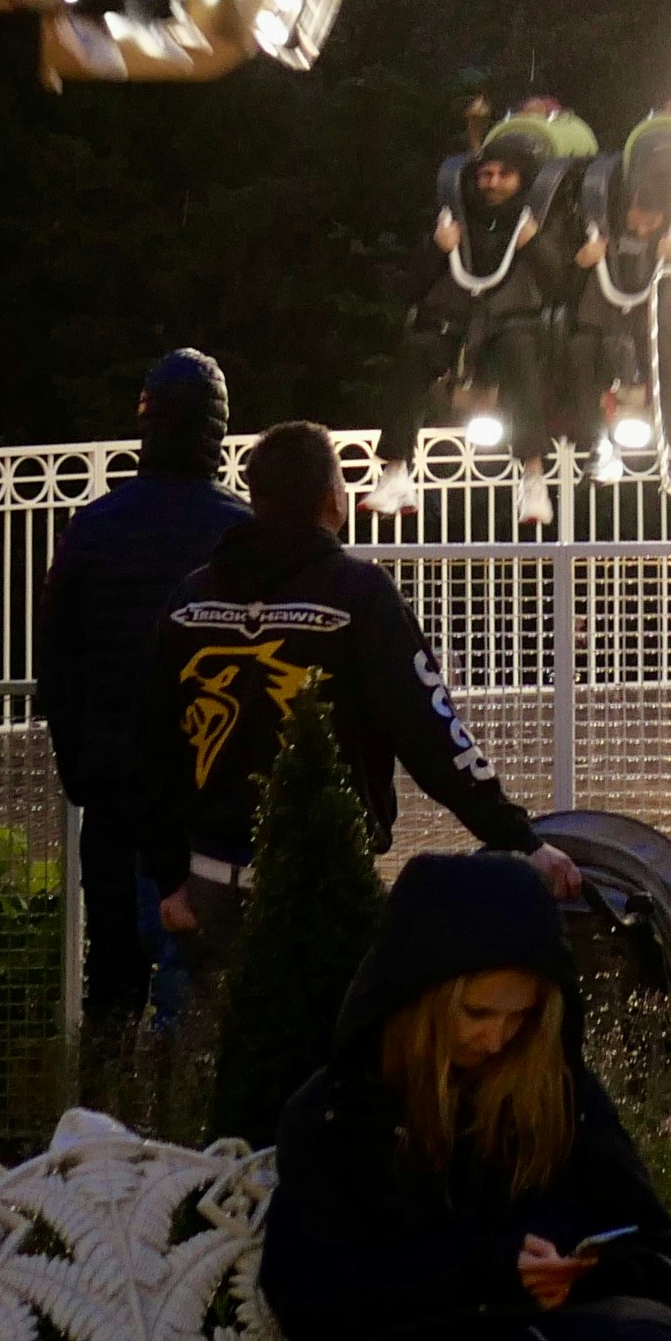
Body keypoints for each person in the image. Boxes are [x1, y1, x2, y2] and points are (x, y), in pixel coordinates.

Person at [248, 850, 671, 1341]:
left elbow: (665, 1262)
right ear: (420, 999)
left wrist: (580, 1270)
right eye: (478, 1014)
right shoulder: (339, 1111)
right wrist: (485, 1271)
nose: (497, 1039)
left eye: (522, 1018)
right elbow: (309, 1295)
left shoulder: (558, 1094)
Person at [144, 423, 554, 1013]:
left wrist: (168, 880)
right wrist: (519, 839)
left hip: (206, 886)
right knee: (329, 1063)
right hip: (323, 882)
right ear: (332, 500)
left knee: (221, 1068)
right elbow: (433, 733)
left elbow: (151, 748)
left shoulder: (189, 599)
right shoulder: (357, 594)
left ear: (255, 499)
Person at [44, 349, 249, 1024]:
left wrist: (82, 771)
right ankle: (194, 1124)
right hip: (211, 801)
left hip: (113, 795)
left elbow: (58, 662)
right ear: (214, 432)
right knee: (212, 989)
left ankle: (101, 1121)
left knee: (112, 984)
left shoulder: (93, 529)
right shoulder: (241, 531)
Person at [436, 110, 585, 450]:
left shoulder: (539, 219)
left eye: (504, 174)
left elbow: (559, 286)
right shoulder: (464, 220)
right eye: (486, 175)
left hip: (521, 321)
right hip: (475, 322)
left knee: (521, 344)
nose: (493, 182)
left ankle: (534, 462)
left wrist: (533, 244)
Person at [568, 108, 671, 467]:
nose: (641, 230)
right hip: (603, 310)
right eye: (638, 219)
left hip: (654, 314)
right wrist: (581, 260)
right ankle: (595, 445)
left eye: (651, 224)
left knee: (665, 351)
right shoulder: (602, 207)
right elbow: (562, 276)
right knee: (581, 350)